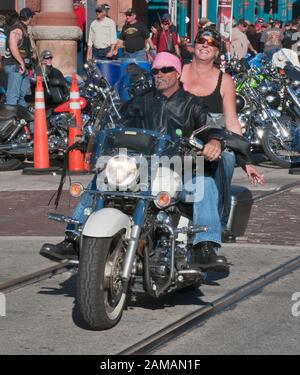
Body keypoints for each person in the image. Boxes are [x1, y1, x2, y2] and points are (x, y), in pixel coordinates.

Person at [40, 51, 229, 272]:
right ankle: (72, 239)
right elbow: (118, 124)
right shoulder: (141, 101)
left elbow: (210, 128)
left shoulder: (192, 104)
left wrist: (214, 141)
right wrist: (93, 137)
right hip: (141, 168)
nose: (159, 74)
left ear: (177, 73)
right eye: (155, 70)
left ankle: (205, 248)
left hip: (179, 168)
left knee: (204, 185)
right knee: (101, 179)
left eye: (166, 70)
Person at [181, 27, 265, 241]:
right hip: (181, 138)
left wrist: (245, 160)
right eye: (201, 40)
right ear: (194, 44)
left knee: (226, 160)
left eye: (211, 43)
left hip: (214, 141)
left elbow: (231, 122)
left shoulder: (225, 80)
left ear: (217, 51)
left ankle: (218, 223)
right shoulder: (178, 72)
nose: (204, 45)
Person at [4, 7, 35, 107]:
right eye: (31, 17)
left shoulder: (23, 29)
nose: (32, 19)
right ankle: (9, 121)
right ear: (28, 17)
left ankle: (22, 120)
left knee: (22, 96)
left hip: (23, 67)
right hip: (15, 66)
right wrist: (21, 62)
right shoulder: (17, 29)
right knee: (13, 97)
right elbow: (13, 46)